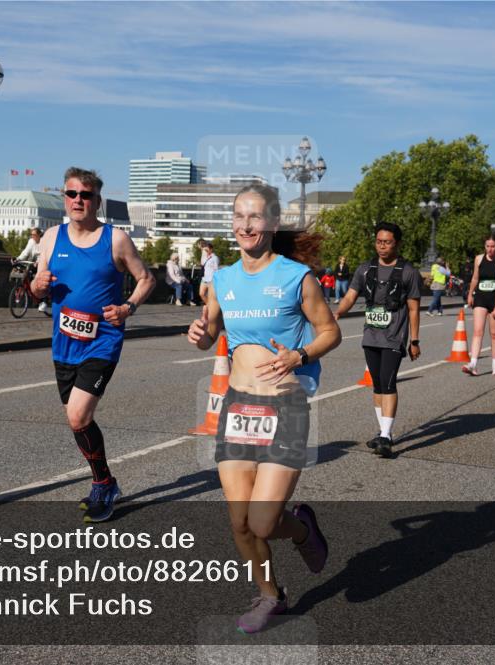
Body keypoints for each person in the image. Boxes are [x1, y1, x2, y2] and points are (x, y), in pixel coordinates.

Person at [186, 183, 341, 634]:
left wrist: (300, 356)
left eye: (255, 217)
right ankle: (271, 596)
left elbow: (329, 331)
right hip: (238, 407)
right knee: (239, 523)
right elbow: (210, 328)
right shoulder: (223, 279)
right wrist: (199, 335)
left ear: (272, 223)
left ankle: (304, 531)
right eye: (239, 216)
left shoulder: (297, 277)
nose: (245, 225)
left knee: (265, 520)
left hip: (285, 406)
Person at [31, 167, 156, 521]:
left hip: (102, 341)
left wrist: (128, 306)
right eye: (71, 194)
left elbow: (146, 278)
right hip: (64, 343)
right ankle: (105, 480)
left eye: (85, 195)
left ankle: (102, 484)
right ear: (64, 198)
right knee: (77, 422)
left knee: (78, 414)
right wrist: (37, 286)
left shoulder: (115, 239)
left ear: (97, 201)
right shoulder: (52, 238)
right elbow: (37, 289)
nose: (77, 201)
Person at [334, 222, 422, 458]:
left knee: (389, 381)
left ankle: (385, 436)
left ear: (397, 243)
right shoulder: (365, 269)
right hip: (371, 335)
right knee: (377, 384)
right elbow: (350, 296)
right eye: (379, 241)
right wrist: (336, 314)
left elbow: (414, 309)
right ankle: (384, 432)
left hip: (394, 337)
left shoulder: (408, 272)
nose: (382, 246)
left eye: (387, 242)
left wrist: (414, 341)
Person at [464, 234, 495, 376]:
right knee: (478, 331)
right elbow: (475, 278)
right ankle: (473, 364)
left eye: (493, 246)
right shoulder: (478, 259)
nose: (490, 249)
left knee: (494, 333)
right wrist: (470, 294)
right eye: (487, 246)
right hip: (481, 299)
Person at [15, 227, 49, 313]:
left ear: (39, 235)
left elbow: (44, 254)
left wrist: (39, 262)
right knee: (26, 275)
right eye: (31, 235)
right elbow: (26, 252)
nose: (32, 236)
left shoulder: (44, 241)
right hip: (33, 263)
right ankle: (28, 290)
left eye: (34, 235)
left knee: (39, 279)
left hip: (43, 262)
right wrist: (18, 259)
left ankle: (44, 301)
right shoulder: (31, 241)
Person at [198, 240, 220, 305]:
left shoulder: (215, 258)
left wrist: (216, 280)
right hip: (204, 279)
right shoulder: (205, 257)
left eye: (207, 249)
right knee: (201, 294)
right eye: (205, 249)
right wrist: (203, 253)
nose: (206, 250)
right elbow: (202, 264)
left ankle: (211, 308)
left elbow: (216, 269)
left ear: (211, 249)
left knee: (211, 296)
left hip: (211, 280)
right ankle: (209, 305)